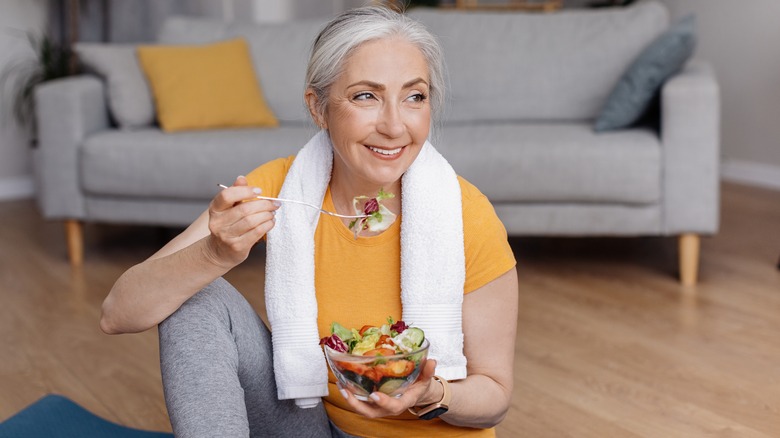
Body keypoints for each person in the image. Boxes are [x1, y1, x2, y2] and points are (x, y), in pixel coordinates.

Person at [100, 6, 518, 438]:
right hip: (315, 427)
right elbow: (117, 314)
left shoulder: (466, 213)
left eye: (415, 97)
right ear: (318, 108)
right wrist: (212, 253)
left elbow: (495, 398)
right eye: (365, 96)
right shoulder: (281, 187)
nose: (395, 125)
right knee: (193, 295)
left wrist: (433, 394)